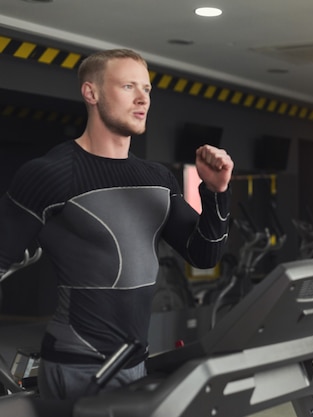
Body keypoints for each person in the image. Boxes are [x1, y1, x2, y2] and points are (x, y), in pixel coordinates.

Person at [0, 49, 234, 400]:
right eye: (128, 86)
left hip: (135, 360)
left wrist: (216, 192)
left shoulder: (156, 177)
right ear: (91, 93)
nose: (143, 99)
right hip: (77, 366)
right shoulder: (50, 175)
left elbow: (204, 255)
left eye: (148, 89)